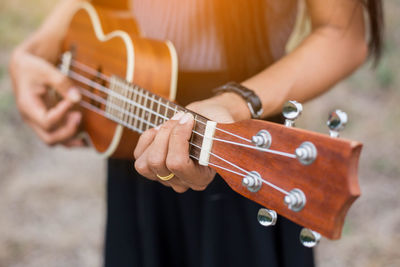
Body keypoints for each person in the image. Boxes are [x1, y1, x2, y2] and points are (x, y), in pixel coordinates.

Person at [9, 0, 383, 266]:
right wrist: (29, 53)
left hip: (238, 139)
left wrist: (235, 105)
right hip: (136, 136)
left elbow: (343, 36)